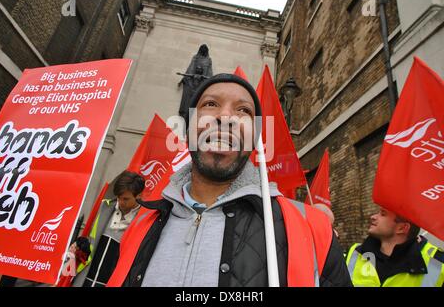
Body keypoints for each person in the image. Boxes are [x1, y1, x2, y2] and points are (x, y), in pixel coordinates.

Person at [107, 74, 352, 287]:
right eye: (211, 104)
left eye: (243, 110)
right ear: (189, 127)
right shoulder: (141, 224)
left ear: (255, 136)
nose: (225, 116)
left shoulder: (313, 229)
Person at [72, 171, 144, 287]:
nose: (121, 202)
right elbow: (90, 240)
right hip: (83, 279)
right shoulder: (104, 207)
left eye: (125, 199)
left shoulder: (144, 220)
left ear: (139, 195)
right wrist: (80, 244)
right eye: (119, 197)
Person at [346, 207, 444, 287]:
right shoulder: (354, 252)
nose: (373, 217)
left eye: (383, 214)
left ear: (402, 228)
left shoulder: (438, 263)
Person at [178, 44, 213, 119]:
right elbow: (191, 68)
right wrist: (185, 78)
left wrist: (210, 82)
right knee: (187, 100)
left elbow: (209, 72)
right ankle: (185, 113)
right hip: (192, 82)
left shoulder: (209, 60)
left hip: (201, 83)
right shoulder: (195, 57)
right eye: (202, 49)